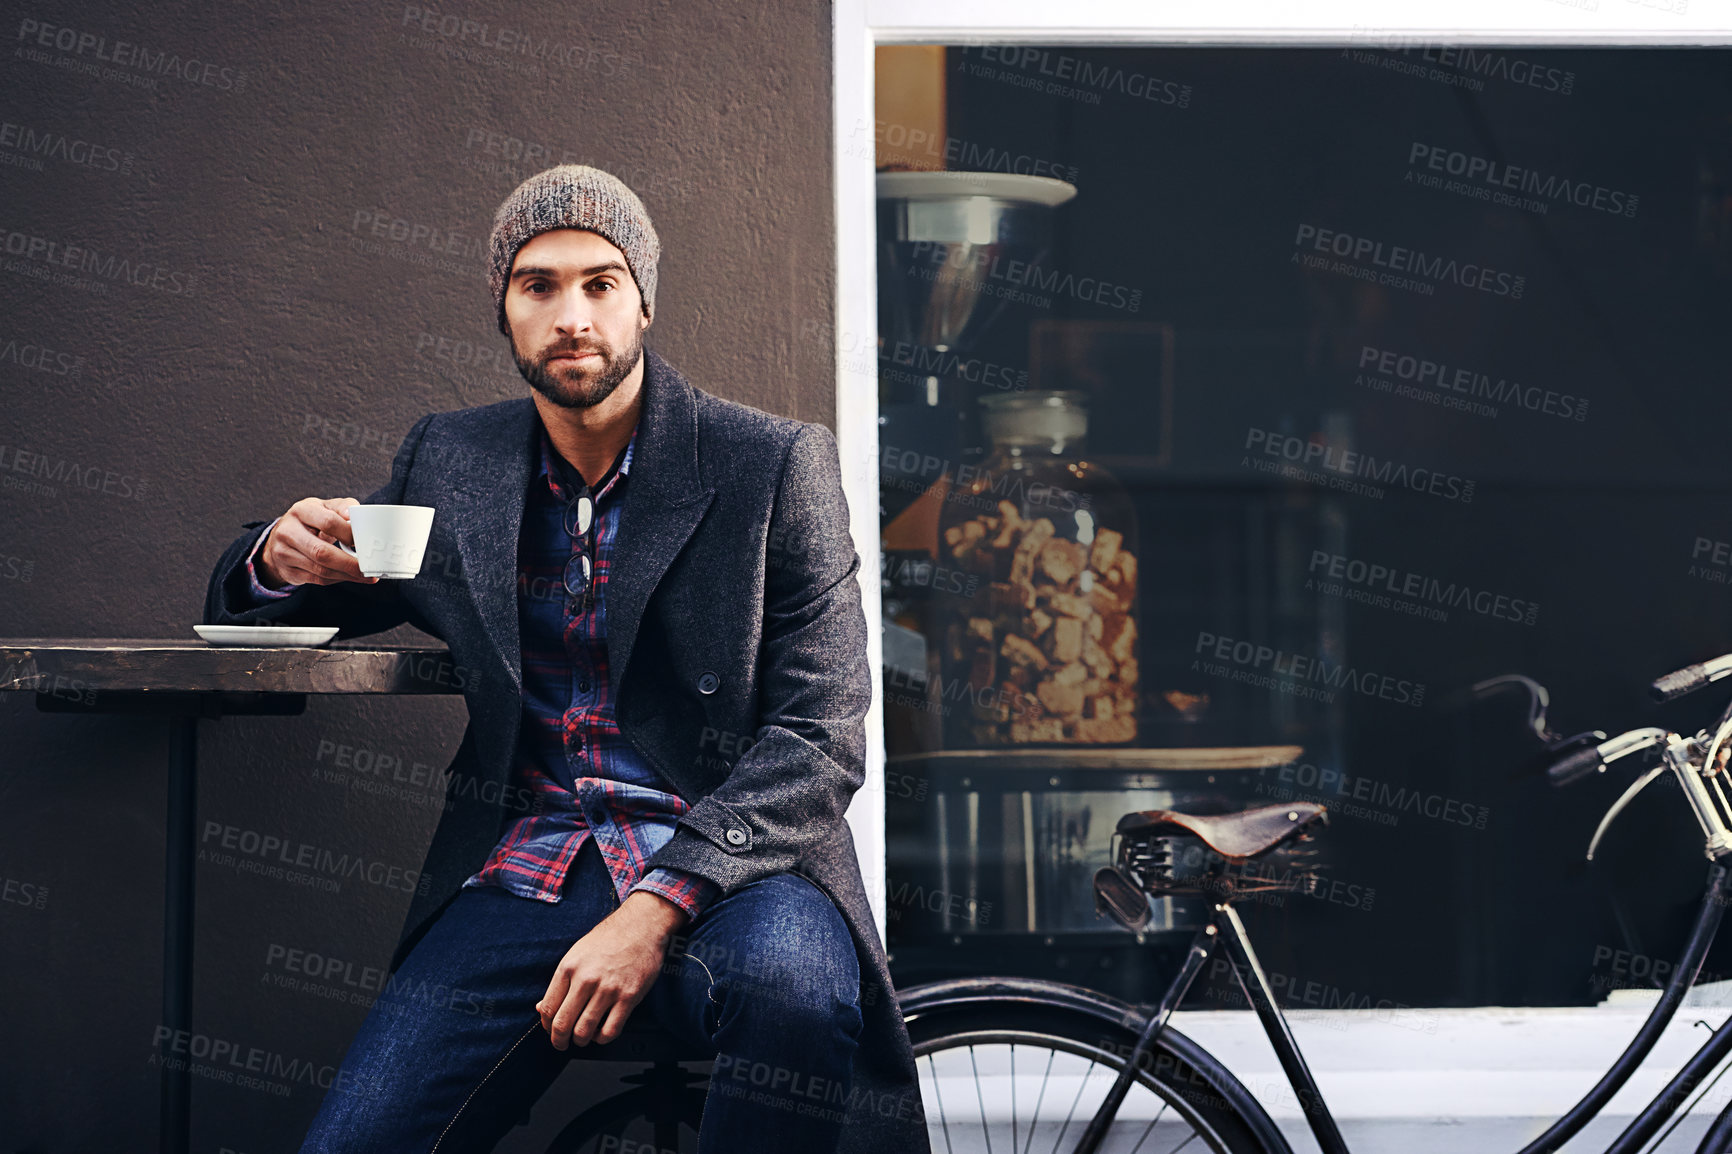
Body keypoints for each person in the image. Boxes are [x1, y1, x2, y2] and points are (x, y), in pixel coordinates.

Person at [202, 165, 929, 1153]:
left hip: (736, 868)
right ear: (503, 310)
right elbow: (317, 586)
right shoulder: (452, 461)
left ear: (644, 302)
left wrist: (656, 903)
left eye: (600, 282)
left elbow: (820, 736)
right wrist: (274, 556)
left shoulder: (770, 463)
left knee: (795, 994)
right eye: (537, 285)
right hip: (525, 869)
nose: (571, 313)